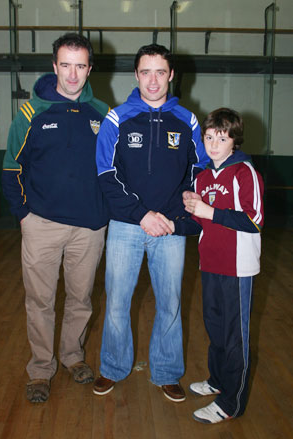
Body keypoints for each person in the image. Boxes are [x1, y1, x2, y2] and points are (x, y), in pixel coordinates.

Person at [93, 43, 209, 402]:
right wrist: (142, 214)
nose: (153, 80)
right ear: (136, 75)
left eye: (161, 72)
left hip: (171, 229)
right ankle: (112, 367)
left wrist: (175, 218)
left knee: (170, 303)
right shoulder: (116, 118)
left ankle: (167, 371)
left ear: (171, 75)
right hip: (127, 226)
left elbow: (200, 174)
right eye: (146, 72)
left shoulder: (188, 121)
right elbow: (105, 175)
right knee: (116, 302)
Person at [2, 33, 110, 403]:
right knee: (40, 301)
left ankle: (72, 357)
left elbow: (114, 169)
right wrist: (24, 216)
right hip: (41, 225)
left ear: (89, 68)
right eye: (66, 64)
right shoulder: (31, 113)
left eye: (80, 65)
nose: (73, 74)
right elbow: (10, 167)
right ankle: (41, 369)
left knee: (81, 299)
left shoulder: (102, 113)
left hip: (90, 227)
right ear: (54, 66)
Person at [159, 107, 264, 422]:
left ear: (234, 139)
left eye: (222, 137)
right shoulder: (203, 176)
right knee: (215, 328)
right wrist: (177, 221)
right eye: (209, 137)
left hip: (238, 267)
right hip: (210, 264)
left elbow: (254, 220)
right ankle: (218, 380)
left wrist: (209, 212)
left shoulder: (245, 172)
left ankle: (230, 403)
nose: (214, 144)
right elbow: (199, 223)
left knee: (235, 337)